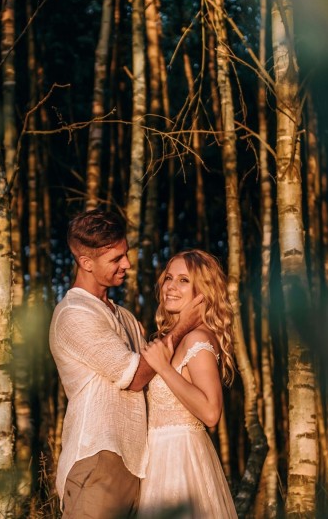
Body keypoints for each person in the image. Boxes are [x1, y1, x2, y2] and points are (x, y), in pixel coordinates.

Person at [49, 210, 203, 519]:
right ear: (86, 263)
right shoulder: (74, 313)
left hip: (137, 466)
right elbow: (133, 376)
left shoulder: (125, 317)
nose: (127, 264)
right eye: (116, 258)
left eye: (126, 254)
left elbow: (155, 373)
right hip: (98, 458)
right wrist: (182, 327)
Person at [138, 250, 239, 518]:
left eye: (184, 280)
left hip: (180, 461)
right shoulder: (179, 338)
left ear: (203, 292)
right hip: (157, 459)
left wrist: (163, 368)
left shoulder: (198, 339)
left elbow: (211, 412)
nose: (171, 286)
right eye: (169, 278)